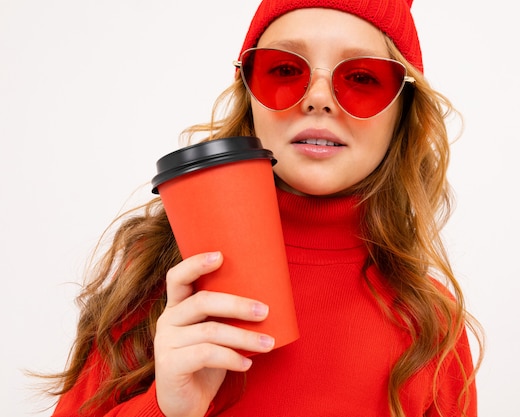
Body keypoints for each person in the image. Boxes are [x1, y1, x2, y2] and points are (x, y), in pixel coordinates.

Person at [44, 0, 483, 416]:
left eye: (363, 78)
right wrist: (167, 407)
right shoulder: (163, 274)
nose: (318, 99)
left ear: (402, 110)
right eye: (286, 69)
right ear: (248, 93)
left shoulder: (431, 323)